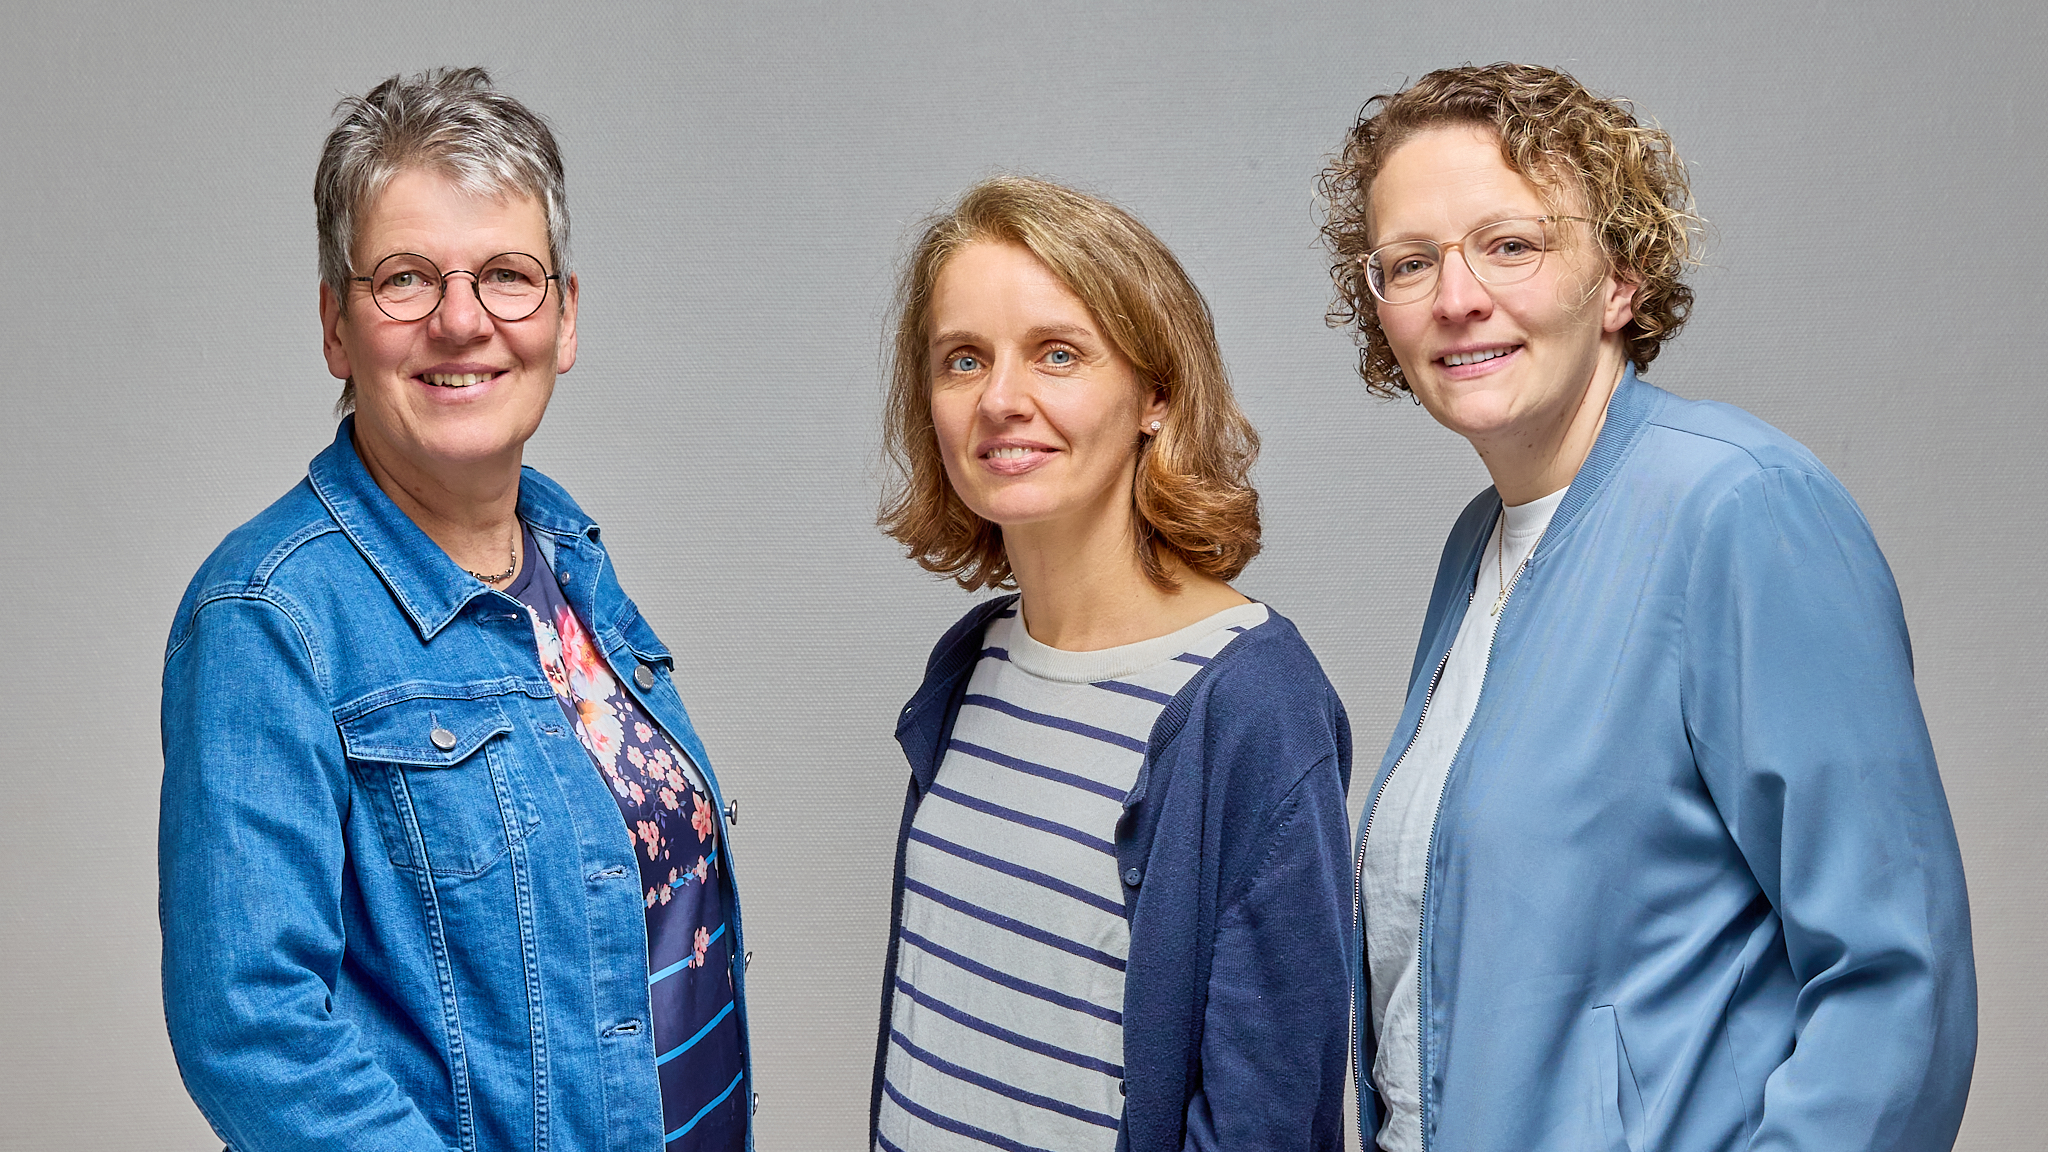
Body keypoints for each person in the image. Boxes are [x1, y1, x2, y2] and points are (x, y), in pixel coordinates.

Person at [1320, 63, 1975, 1152]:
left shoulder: (1737, 509)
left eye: (1510, 244)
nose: (1455, 296)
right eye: (1408, 262)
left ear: (1618, 278)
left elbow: (1896, 978)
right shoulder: (1475, 548)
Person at [158, 68, 752, 1152]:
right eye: (404, 279)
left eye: (507, 276)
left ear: (564, 318)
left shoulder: (568, 560)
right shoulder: (268, 617)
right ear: (338, 328)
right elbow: (252, 1034)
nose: (462, 319)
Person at [870, 176, 1352, 1152]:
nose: (1000, 400)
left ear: (1155, 392)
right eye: (963, 359)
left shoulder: (1252, 704)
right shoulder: (971, 670)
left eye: (1056, 353)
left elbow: (1264, 1120)